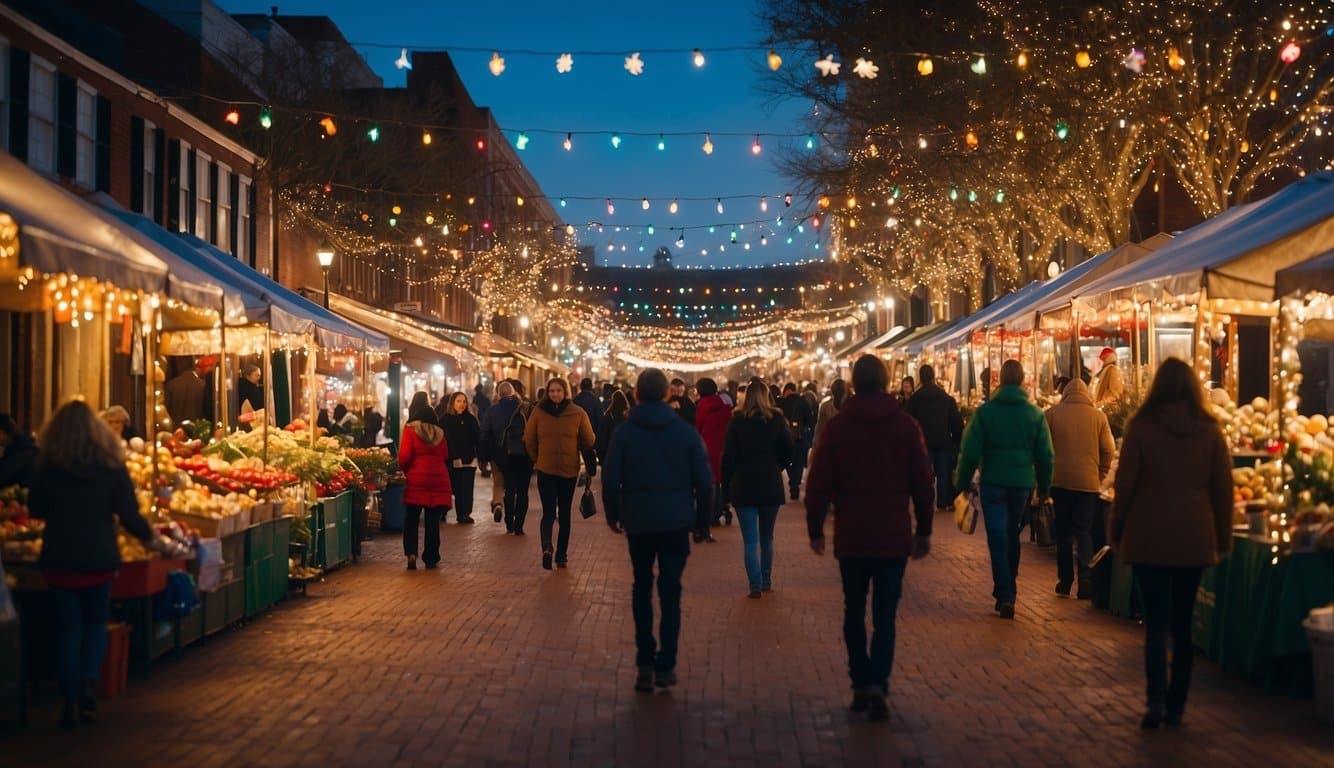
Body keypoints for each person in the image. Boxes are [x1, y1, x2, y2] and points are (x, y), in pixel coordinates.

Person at [806, 354, 934, 721]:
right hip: (893, 535)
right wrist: (923, 530)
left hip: (852, 535)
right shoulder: (906, 426)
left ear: (853, 384)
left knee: (852, 609)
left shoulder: (839, 428)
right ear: (885, 381)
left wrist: (816, 529)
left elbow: (818, 482)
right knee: (885, 614)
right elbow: (923, 483)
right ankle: (878, 680)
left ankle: (860, 679)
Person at [1109, 358, 1232, 729]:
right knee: (1182, 624)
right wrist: (1222, 538)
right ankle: (1177, 704)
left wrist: (1116, 528)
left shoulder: (1141, 429)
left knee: (1156, 623)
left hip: (1149, 537)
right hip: (1193, 538)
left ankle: (1156, 702)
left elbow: (1124, 487)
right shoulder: (1210, 432)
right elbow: (1223, 491)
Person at [26, 401, 158, 728]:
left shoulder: (47, 465)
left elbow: (36, 509)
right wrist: (150, 537)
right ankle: (87, 686)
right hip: (99, 557)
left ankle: (70, 697)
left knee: (68, 628)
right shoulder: (111, 465)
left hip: (59, 558)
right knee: (95, 625)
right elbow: (128, 513)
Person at [602, 368, 713, 692]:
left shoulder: (625, 432)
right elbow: (704, 482)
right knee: (670, 590)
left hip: (638, 520)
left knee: (641, 586)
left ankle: (644, 661)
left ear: (637, 393)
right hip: (676, 521)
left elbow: (610, 479)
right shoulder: (685, 432)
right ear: (667, 394)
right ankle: (666, 664)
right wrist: (702, 521)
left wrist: (614, 514)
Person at [954, 360, 1054, 619]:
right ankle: (1010, 587)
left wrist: (962, 483)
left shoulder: (986, 413)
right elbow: (1046, 456)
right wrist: (1044, 488)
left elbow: (969, 452)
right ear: (1022, 380)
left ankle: (1005, 591)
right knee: (1012, 535)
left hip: (993, 483)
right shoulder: (1034, 414)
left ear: (1000, 381)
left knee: (997, 537)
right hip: (1022, 484)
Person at [722, 377, 794, 597]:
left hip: (744, 483)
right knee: (767, 536)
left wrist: (726, 483)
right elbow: (788, 451)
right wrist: (777, 466)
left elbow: (729, 457)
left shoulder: (737, 420)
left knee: (750, 539)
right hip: (770, 482)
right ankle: (766, 580)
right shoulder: (777, 419)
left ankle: (754, 585)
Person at [1045, 377, 1115, 599]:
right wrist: (1100, 473)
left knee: (1064, 532)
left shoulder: (1052, 414)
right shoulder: (1099, 416)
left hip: (1060, 482)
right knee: (1083, 530)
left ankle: (1065, 581)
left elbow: (1044, 450)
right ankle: (1086, 578)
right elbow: (1109, 450)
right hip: (1088, 484)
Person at [525, 377, 596, 569]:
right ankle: (551, 549)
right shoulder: (540, 412)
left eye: (558, 391)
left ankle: (558, 552)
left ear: (565, 392)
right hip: (550, 469)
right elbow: (529, 438)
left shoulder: (578, 413)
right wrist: (537, 459)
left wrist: (537, 458)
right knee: (551, 512)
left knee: (561, 513)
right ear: (547, 392)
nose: (555, 394)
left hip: (566, 471)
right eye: (552, 391)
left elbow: (588, 440)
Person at [397, 392, 452, 570]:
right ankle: (431, 557)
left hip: (416, 478)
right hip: (438, 479)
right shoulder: (441, 433)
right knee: (432, 521)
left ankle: (411, 553)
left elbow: (404, 457)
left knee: (412, 518)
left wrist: (408, 471)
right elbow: (445, 455)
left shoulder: (411, 429)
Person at [903, 365, 964, 513]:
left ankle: (926, 503)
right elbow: (956, 423)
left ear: (920, 378)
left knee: (925, 474)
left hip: (923, 442)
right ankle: (942, 503)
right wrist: (956, 441)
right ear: (933, 376)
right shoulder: (946, 398)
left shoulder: (915, 399)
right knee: (943, 473)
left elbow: (908, 421)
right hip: (943, 440)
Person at [478, 381, 529, 533]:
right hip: (523, 455)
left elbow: (485, 434)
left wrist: (484, 456)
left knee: (506, 488)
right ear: (514, 393)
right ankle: (519, 526)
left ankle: (508, 522)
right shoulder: (525, 408)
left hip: (501, 455)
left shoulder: (493, 410)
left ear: (499, 394)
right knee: (522, 492)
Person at [694, 378, 733, 528]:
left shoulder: (701, 407)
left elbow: (697, 428)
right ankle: (721, 509)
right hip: (723, 447)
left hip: (706, 448)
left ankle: (711, 513)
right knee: (721, 481)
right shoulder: (725, 407)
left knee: (710, 482)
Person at [440, 392, 481, 525]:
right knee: (454, 487)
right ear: (452, 403)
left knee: (467, 488)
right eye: (458, 401)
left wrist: (480, 456)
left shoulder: (471, 419)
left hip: (469, 459)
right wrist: (452, 456)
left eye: (464, 401)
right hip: (452, 460)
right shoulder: (445, 420)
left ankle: (464, 514)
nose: (462, 404)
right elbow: (444, 440)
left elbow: (478, 438)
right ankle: (445, 510)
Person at [778, 382, 815, 500]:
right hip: (799, 436)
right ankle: (795, 484)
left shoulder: (781, 402)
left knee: (789, 461)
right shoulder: (802, 401)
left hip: (784, 438)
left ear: (785, 391)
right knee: (798, 462)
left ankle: (793, 484)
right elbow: (810, 420)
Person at [163, 358, 207, 427]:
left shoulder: (171, 385)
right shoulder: (203, 385)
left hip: (176, 431)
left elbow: (166, 410)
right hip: (198, 430)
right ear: (194, 366)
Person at [596, 389, 631, 467]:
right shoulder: (628, 416)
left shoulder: (608, 416)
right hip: (625, 452)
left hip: (610, 451)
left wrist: (601, 454)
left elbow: (602, 436)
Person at [812, 379, 847, 455]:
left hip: (829, 448)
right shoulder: (850, 407)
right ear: (845, 392)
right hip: (842, 449)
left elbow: (819, 430)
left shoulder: (825, 406)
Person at [573, 377, 604, 443]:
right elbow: (601, 420)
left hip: (578, 436)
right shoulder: (596, 401)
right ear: (591, 387)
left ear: (581, 387)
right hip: (593, 437)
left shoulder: (575, 400)